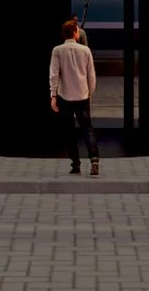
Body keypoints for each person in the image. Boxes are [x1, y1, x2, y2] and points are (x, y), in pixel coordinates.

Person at [50, 18, 100, 177]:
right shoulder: (85, 51)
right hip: (82, 95)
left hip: (65, 96)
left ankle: (76, 164)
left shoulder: (57, 50)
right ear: (75, 32)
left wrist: (53, 95)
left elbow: (54, 75)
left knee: (69, 130)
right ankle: (94, 159)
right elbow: (91, 76)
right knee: (87, 128)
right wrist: (90, 94)